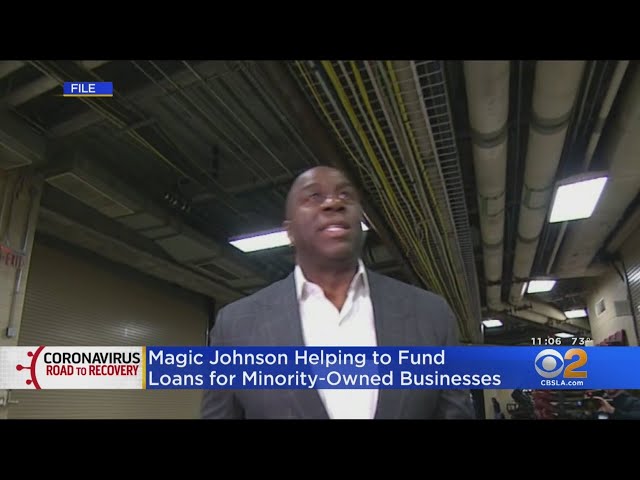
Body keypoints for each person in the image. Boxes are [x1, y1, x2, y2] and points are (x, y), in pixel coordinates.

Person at [201, 166, 475, 419]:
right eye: (314, 196)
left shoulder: (431, 315)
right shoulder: (235, 327)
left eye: (345, 195)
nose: (333, 202)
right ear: (290, 232)